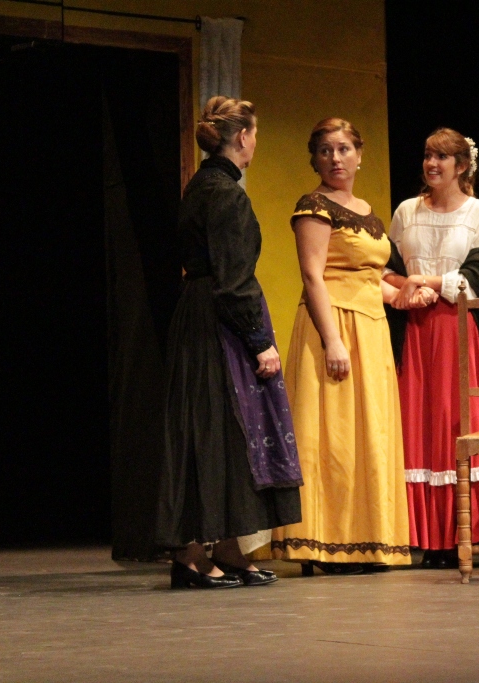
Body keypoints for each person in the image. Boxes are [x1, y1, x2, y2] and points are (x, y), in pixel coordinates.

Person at [156, 96, 302, 589]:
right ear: (242, 137)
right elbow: (234, 281)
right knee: (217, 432)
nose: (255, 142)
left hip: (196, 316)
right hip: (218, 325)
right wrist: (259, 341)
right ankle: (192, 555)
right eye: (255, 134)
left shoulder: (200, 186)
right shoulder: (227, 195)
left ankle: (227, 548)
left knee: (219, 432)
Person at [269, 118, 411, 574]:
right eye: (326, 151)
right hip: (332, 327)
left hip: (371, 331)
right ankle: (324, 543)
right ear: (315, 159)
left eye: (344, 149)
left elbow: (369, 279)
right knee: (331, 437)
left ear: (359, 154)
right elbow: (314, 276)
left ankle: (366, 540)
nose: (336, 159)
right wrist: (332, 341)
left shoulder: (367, 211)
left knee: (369, 436)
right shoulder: (313, 206)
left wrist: (404, 295)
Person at [383, 128, 479, 569]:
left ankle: (457, 531)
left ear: (462, 166)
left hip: (457, 331)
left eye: (442, 157)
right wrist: (409, 288)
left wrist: (426, 281)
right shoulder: (406, 211)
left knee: (451, 423)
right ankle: (422, 535)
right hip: (414, 329)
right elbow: (386, 271)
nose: (432, 163)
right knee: (416, 426)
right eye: (428, 155)